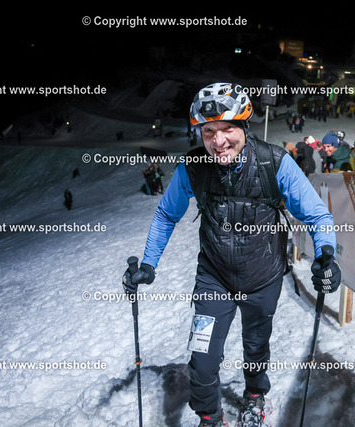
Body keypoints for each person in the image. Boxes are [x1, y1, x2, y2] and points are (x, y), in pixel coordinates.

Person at [122, 82, 341, 427]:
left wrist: (326, 254)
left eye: (227, 129)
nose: (218, 140)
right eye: (208, 131)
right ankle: (210, 417)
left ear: (244, 127)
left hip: (263, 276)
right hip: (215, 278)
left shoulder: (274, 162)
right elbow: (166, 214)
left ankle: (255, 395)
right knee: (202, 360)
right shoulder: (193, 167)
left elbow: (317, 215)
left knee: (256, 347)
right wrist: (148, 263)